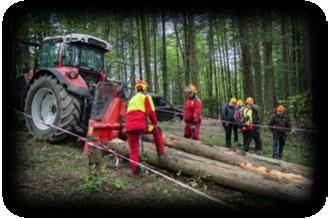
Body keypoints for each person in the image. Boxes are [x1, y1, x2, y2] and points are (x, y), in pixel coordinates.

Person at [125, 80, 166, 175]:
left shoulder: (132, 99)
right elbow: (151, 113)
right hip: (140, 126)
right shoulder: (146, 97)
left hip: (129, 127)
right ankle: (161, 153)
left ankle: (135, 170)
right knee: (157, 131)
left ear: (137, 88)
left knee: (133, 149)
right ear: (144, 88)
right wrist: (155, 123)